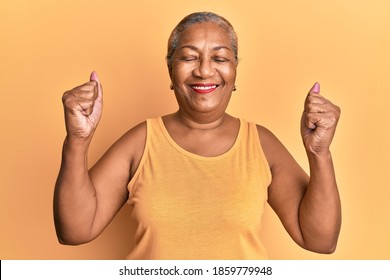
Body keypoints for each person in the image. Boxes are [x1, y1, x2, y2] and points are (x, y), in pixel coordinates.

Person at [54, 12, 341, 259]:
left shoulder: (261, 144)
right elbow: (75, 230)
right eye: (189, 57)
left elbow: (320, 240)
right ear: (170, 71)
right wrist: (77, 141)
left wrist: (319, 154)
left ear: (234, 72)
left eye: (219, 57)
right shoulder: (141, 142)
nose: (204, 70)